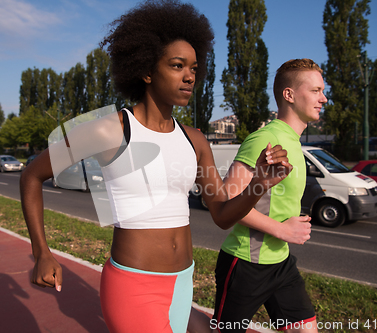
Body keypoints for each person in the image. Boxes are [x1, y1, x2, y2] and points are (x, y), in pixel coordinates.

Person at [20, 1, 291, 332]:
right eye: (178, 66)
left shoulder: (195, 141)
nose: (190, 76)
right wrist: (42, 252)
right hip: (133, 285)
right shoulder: (109, 129)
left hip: (182, 282)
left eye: (193, 68)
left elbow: (221, 214)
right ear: (147, 70)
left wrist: (259, 183)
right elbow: (32, 175)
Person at [212, 59, 328, 333]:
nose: (323, 98)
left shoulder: (293, 142)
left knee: (306, 329)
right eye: (315, 91)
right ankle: (170, 313)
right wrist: (281, 229)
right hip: (246, 263)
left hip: (280, 262)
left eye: (322, 91)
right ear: (289, 95)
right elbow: (227, 201)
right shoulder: (264, 139)